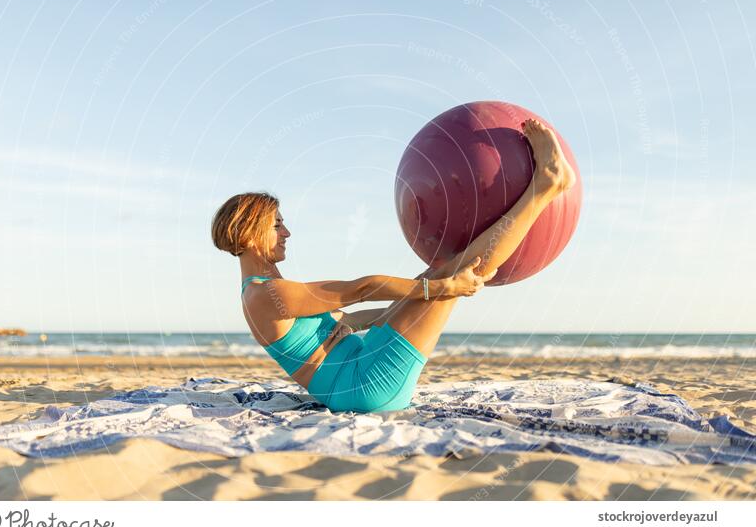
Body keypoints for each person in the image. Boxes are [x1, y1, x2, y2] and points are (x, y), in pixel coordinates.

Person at [211, 119, 576, 413]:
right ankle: (546, 185)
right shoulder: (266, 294)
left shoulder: (268, 293)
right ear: (250, 231)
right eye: (276, 225)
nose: (286, 232)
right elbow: (362, 288)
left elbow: (352, 319)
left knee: (437, 276)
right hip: (363, 384)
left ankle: (538, 192)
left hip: (358, 370)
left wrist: (416, 294)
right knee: (444, 281)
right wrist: (438, 290)